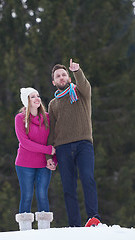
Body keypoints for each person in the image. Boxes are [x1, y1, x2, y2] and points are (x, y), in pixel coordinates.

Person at [46, 59, 101, 227]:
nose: (61, 77)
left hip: (84, 144)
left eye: (64, 75)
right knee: (68, 188)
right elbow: (51, 130)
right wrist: (49, 155)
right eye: (58, 76)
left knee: (87, 178)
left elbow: (85, 85)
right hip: (62, 148)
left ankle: (93, 218)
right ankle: (74, 225)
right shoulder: (53, 104)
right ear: (54, 82)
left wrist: (77, 71)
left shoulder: (81, 93)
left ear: (69, 78)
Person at [14, 87, 57, 231]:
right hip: (24, 164)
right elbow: (25, 143)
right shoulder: (20, 118)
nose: (37, 98)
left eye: (37, 95)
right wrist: (47, 150)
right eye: (32, 96)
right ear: (27, 101)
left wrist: (53, 159)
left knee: (42, 194)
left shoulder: (47, 118)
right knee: (26, 195)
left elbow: (52, 140)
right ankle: (25, 231)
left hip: (44, 164)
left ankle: (44, 231)